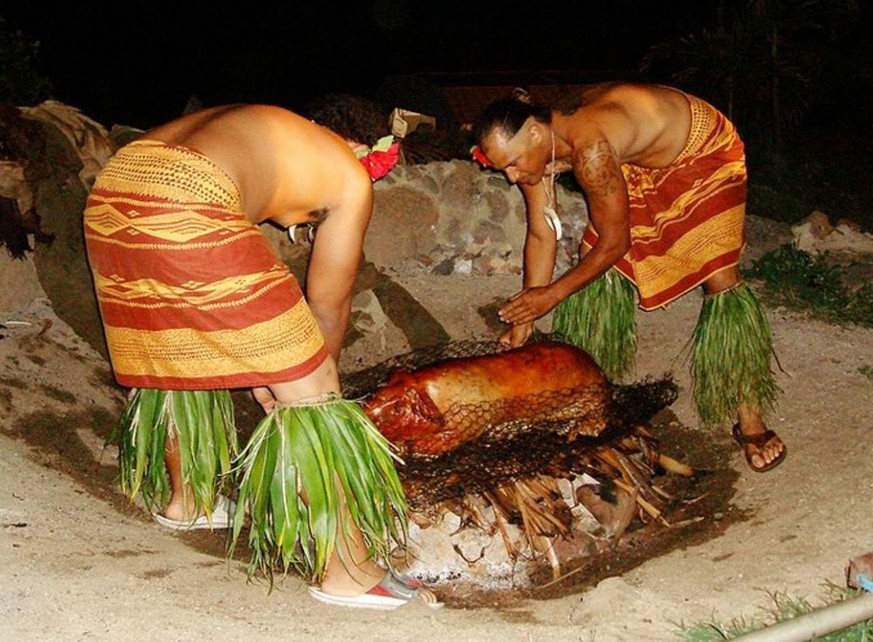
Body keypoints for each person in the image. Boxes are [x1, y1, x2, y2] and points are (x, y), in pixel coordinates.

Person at [83, 101, 438, 609]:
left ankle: (189, 499)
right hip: (191, 194)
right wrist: (306, 377)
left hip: (115, 188)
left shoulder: (266, 127)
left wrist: (263, 358)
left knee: (172, 347)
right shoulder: (349, 175)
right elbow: (328, 306)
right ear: (362, 149)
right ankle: (348, 569)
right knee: (315, 393)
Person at [471, 83, 786, 473]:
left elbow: (615, 243)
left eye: (513, 163)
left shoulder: (591, 151)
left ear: (535, 132)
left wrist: (550, 296)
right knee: (594, 265)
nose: (513, 177)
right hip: (638, 155)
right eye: (504, 169)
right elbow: (541, 233)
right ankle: (587, 396)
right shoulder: (540, 149)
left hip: (702, 150)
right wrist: (527, 316)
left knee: (719, 279)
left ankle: (750, 418)